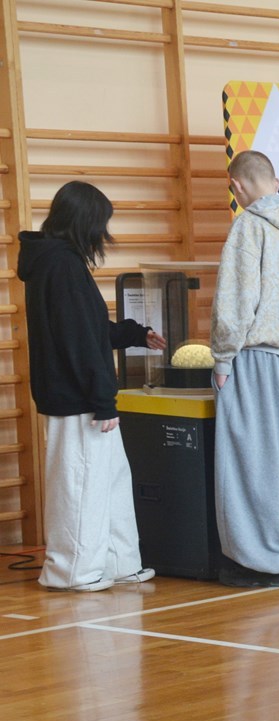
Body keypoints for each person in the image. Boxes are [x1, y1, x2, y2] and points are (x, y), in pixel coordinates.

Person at [19, 181, 164, 591]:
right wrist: (103, 400)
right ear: (84, 221)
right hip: (77, 399)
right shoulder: (61, 265)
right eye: (100, 224)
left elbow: (90, 328)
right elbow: (79, 339)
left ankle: (118, 562)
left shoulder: (58, 262)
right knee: (80, 484)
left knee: (110, 479)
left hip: (80, 394)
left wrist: (135, 334)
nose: (103, 233)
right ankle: (73, 571)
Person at [210, 149, 279, 588]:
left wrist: (223, 357)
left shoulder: (249, 226)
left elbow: (236, 299)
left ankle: (263, 560)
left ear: (237, 186)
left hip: (255, 357)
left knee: (252, 461)